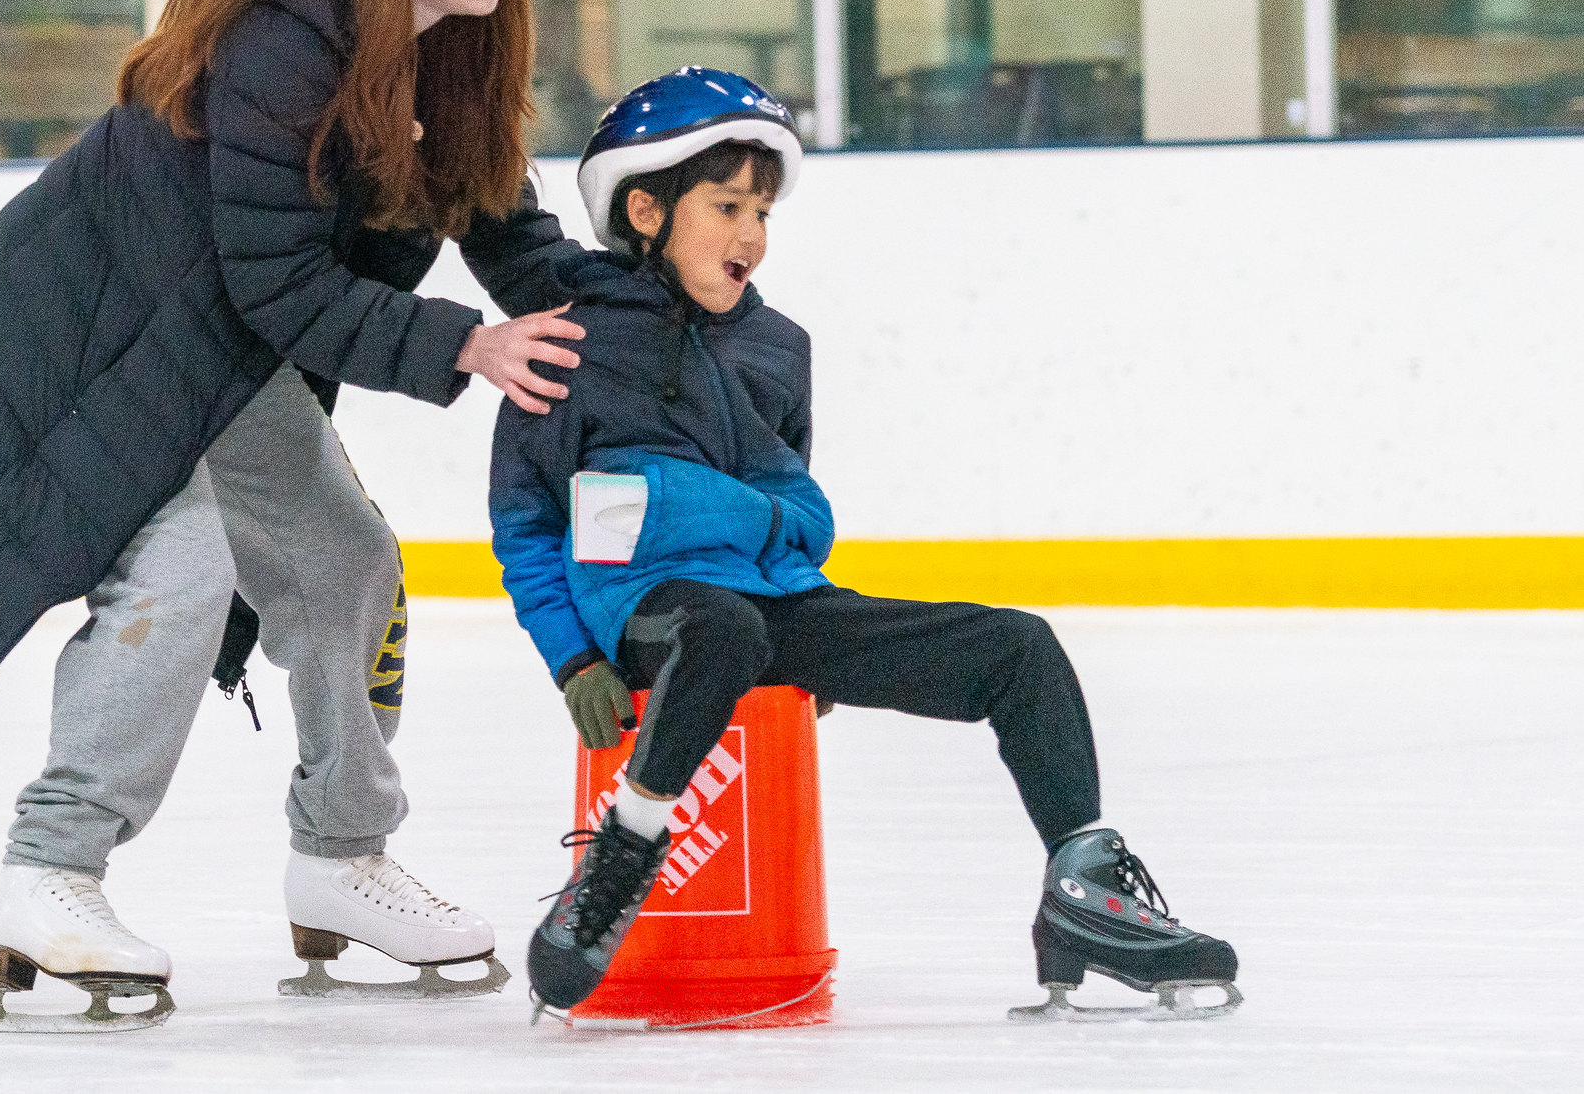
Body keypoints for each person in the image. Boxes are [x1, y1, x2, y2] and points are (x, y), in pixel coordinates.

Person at [0, 0, 589, 1031]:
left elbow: (503, 223)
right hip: (103, 329)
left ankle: (338, 857)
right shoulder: (289, 33)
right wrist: (462, 344)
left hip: (214, 348)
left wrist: (628, 308)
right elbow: (276, 281)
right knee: (184, 566)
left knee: (339, 561)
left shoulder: (454, 49)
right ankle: (49, 873)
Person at [487, 67, 1241, 1023]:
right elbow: (523, 521)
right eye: (726, 207)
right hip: (646, 602)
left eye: (762, 212)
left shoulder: (778, 348)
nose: (751, 236)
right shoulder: (569, 341)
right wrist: (571, 659)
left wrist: (821, 618)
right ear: (644, 207)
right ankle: (617, 864)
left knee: (1018, 647)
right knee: (721, 629)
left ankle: (1083, 892)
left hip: (776, 604)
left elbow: (777, 505)